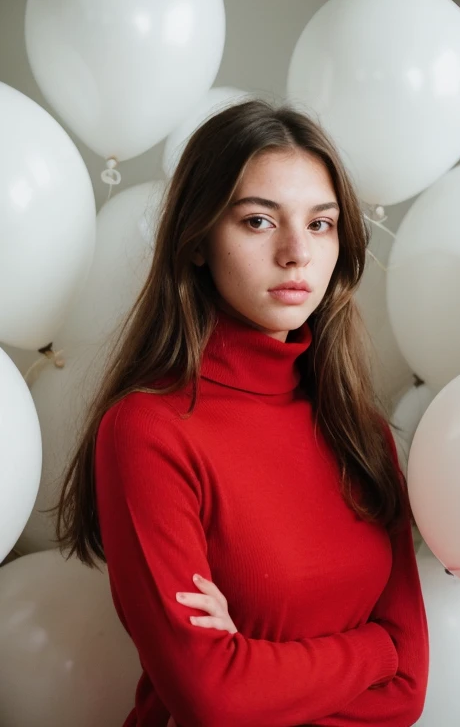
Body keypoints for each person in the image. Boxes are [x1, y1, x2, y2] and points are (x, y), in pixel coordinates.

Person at [55, 99, 429, 727]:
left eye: (321, 224)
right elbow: (213, 699)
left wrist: (254, 660)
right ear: (198, 241)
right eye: (258, 221)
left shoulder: (361, 434)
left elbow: (410, 691)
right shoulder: (148, 430)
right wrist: (375, 649)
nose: (296, 254)